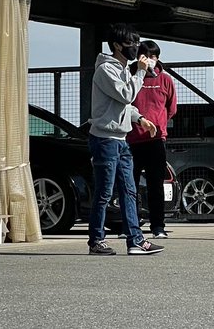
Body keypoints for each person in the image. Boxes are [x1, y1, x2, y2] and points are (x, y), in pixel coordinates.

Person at [86, 23, 164, 256]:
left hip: (121, 139)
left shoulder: (121, 70)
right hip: (105, 140)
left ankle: (135, 240)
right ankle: (96, 240)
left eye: (137, 43)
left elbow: (124, 105)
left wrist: (140, 118)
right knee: (104, 192)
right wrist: (140, 71)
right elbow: (126, 94)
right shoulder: (106, 70)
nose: (136, 48)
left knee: (130, 191)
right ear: (117, 45)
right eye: (131, 43)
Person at [127, 40, 177, 239]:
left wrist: (158, 124)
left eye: (154, 57)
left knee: (156, 185)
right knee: (130, 184)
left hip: (156, 140)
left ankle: (158, 226)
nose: (151, 61)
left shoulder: (165, 79)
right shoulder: (130, 76)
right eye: (147, 56)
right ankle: (130, 225)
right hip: (131, 139)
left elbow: (171, 108)